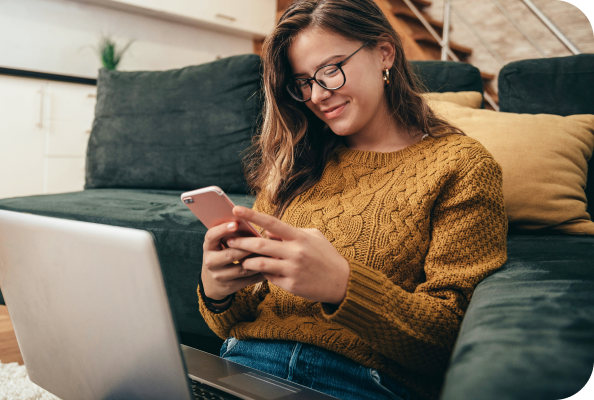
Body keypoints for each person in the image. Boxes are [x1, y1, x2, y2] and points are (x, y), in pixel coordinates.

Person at [197, 1, 508, 399]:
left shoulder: (462, 165)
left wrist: (343, 286)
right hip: (242, 367)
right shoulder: (296, 163)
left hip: (356, 382)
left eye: (331, 69)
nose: (318, 95)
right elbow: (230, 324)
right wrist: (217, 292)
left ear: (384, 52)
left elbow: (453, 339)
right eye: (303, 82)